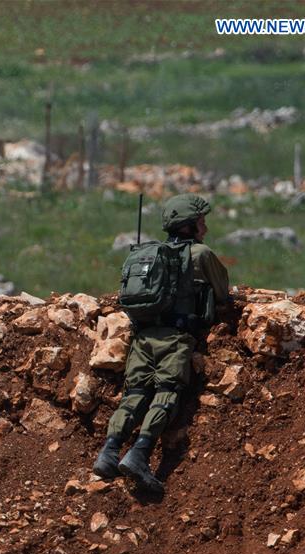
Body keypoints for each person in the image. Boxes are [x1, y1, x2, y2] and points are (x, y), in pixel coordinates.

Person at [92, 193, 230, 493]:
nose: (205, 228)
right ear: (189, 226)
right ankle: (140, 453)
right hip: (175, 337)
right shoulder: (201, 254)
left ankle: (110, 450)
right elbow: (222, 292)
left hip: (143, 336)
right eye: (201, 222)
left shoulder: (148, 254)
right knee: (167, 393)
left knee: (135, 393)